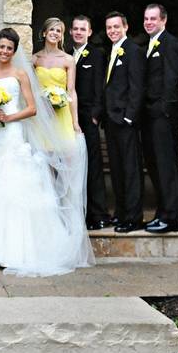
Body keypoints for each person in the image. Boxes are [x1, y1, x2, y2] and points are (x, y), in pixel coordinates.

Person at [0, 27, 93, 276]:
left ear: (14, 52)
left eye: (9, 48)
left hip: (11, 134)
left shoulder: (20, 74)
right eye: (2, 47)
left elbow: (33, 108)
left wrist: (11, 116)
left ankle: (13, 250)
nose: (5, 51)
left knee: (12, 186)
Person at [140, 4, 178, 233]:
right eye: (146, 19)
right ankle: (162, 211)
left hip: (162, 115)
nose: (149, 22)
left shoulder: (172, 43)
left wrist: (165, 111)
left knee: (167, 166)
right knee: (155, 166)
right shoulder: (147, 44)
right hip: (148, 116)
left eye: (153, 19)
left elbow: (172, 78)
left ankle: (172, 218)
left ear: (163, 21)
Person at [103, 11, 146, 233]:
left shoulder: (134, 51)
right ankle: (121, 213)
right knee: (118, 169)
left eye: (116, 27)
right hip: (111, 121)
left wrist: (129, 117)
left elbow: (137, 87)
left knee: (131, 170)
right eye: (109, 27)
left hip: (125, 120)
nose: (112, 31)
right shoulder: (110, 51)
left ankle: (133, 217)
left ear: (126, 27)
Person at [70, 15, 111, 230]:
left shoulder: (96, 54)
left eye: (82, 29)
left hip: (88, 116)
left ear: (90, 32)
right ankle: (77, 212)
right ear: (70, 32)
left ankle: (98, 214)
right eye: (75, 29)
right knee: (73, 165)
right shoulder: (66, 55)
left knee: (93, 164)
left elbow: (100, 86)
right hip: (67, 117)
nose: (78, 32)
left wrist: (96, 114)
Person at [31, 17, 80, 136]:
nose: (55, 33)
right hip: (41, 112)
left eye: (58, 31)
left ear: (61, 35)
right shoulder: (35, 59)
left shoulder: (68, 60)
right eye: (51, 29)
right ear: (44, 33)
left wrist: (75, 122)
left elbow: (71, 91)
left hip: (62, 111)